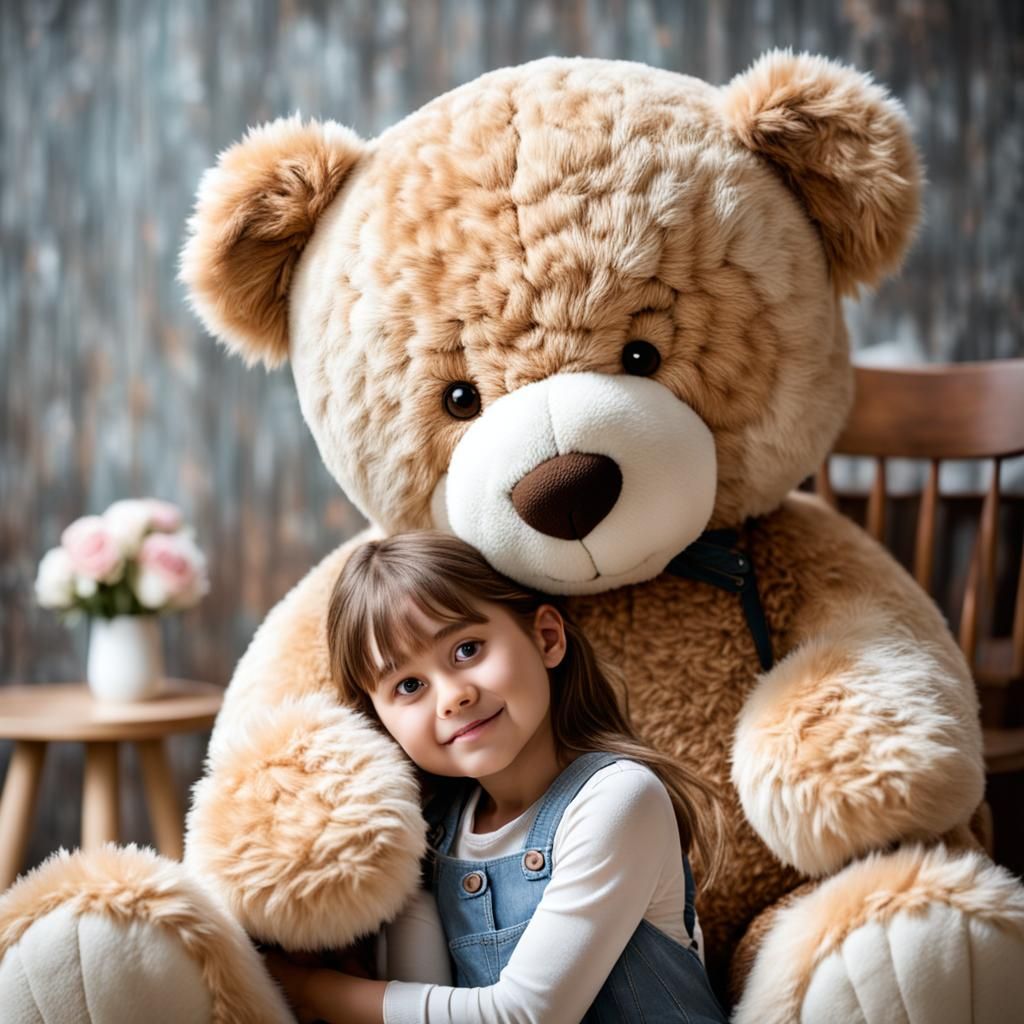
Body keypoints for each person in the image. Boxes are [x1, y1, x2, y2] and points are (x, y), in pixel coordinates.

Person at [264, 531, 727, 1024]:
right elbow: (419, 997)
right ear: (380, 723)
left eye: (467, 649)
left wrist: (308, 989)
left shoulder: (619, 799)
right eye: (409, 685)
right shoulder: (425, 839)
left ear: (546, 638)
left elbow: (525, 1015)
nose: (452, 697)